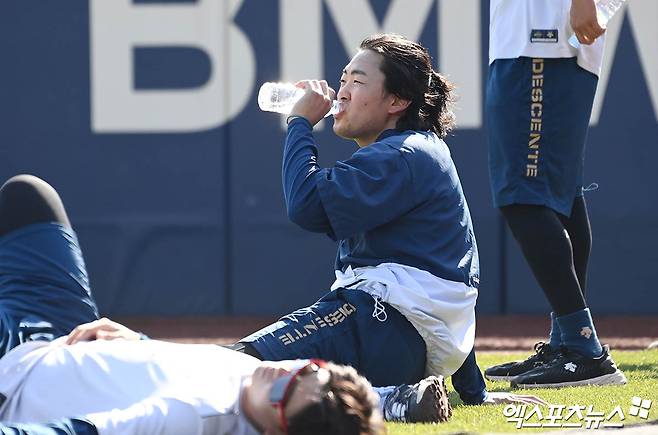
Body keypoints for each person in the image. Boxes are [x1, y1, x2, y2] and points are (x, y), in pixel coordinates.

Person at [232, 33, 523, 421]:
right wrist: (474, 392)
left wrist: (300, 123)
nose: (342, 92)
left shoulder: (399, 154)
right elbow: (445, 293)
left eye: (358, 81)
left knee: (232, 366)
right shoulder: (417, 151)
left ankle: (387, 401)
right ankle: (394, 396)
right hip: (409, 349)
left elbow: (305, 206)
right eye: (344, 79)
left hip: (381, 326)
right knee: (295, 382)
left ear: (397, 101)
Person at [0, 175, 383, 435]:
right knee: (29, 197)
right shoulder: (262, 378)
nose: (280, 376)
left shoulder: (194, 418)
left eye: (283, 394)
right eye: (303, 371)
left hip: (12, 385)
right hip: (65, 332)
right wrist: (140, 344)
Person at [483, 0, 627, 388]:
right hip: (528, 40)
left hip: (543, 40)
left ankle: (584, 350)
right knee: (559, 193)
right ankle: (568, 341)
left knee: (523, 196)